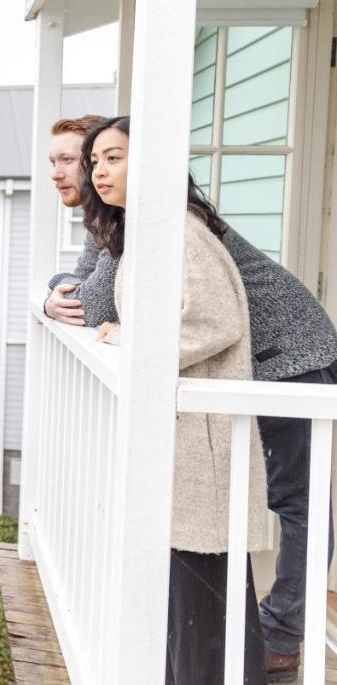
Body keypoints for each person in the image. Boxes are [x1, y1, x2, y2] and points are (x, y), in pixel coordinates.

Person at [43, 116, 337, 683]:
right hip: (249, 362)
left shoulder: (171, 226)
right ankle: (267, 635)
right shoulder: (129, 225)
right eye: (88, 161)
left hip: (294, 355)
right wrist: (53, 292)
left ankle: (282, 634)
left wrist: (93, 305)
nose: (85, 171)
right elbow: (91, 294)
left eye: (101, 159)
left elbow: (101, 304)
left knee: (295, 502)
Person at [83, 116, 269, 684]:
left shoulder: (181, 231)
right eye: (95, 161)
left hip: (202, 445)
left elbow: (216, 322)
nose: (98, 171)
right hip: (180, 440)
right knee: (194, 607)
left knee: (207, 607)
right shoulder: (149, 231)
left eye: (113, 157)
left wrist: (131, 338)